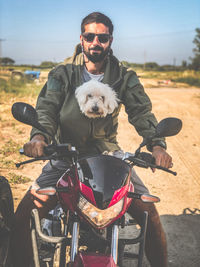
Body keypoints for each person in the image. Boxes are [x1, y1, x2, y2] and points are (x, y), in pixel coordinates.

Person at [11, 12, 172, 267]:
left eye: (103, 37)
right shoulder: (62, 73)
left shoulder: (123, 76)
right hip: (65, 154)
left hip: (108, 156)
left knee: (149, 213)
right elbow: (47, 110)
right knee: (26, 213)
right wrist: (39, 138)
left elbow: (141, 112)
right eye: (90, 36)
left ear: (110, 40)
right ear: (82, 39)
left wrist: (157, 146)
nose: (96, 42)